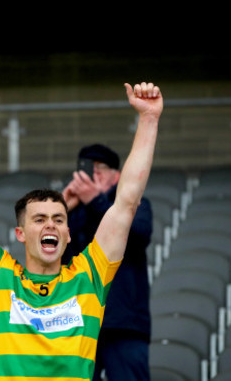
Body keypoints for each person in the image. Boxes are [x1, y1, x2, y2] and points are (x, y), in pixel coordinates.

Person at [0, 82, 163, 380]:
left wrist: (149, 119)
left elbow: (126, 203)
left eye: (59, 220)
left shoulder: (89, 278)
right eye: (39, 219)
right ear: (20, 234)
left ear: (68, 234)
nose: (50, 225)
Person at [62, 143, 153, 381]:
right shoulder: (70, 211)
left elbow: (139, 236)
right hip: (78, 323)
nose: (95, 174)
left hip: (123, 323)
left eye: (100, 168)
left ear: (117, 175)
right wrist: (60, 210)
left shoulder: (132, 204)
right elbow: (49, 257)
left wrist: (96, 201)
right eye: (88, 168)